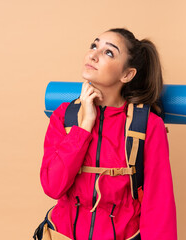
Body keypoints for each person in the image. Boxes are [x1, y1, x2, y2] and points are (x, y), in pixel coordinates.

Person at [40, 28, 177, 240]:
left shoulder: (148, 125)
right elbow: (52, 186)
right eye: (94, 46)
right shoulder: (63, 117)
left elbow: (159, 209)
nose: (93, 54)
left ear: (127, 74)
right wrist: (85, 125)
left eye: (108, 52)